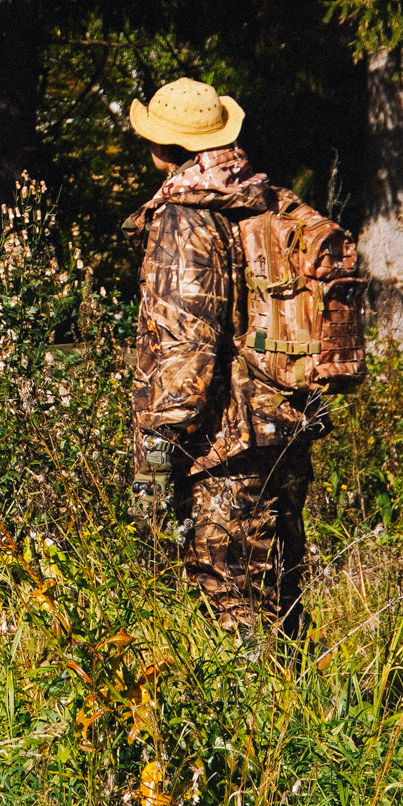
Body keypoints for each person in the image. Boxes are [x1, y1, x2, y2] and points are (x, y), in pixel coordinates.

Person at [127, 77, 358, 636]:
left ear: (164, 149)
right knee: (281, 588)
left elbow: (186, 345)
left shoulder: (185, 217)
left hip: (222, 445)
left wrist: (157, 455)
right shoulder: (265, 200)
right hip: (286, 426)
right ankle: (304, 713)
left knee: (231, 602)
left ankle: (256, 720)